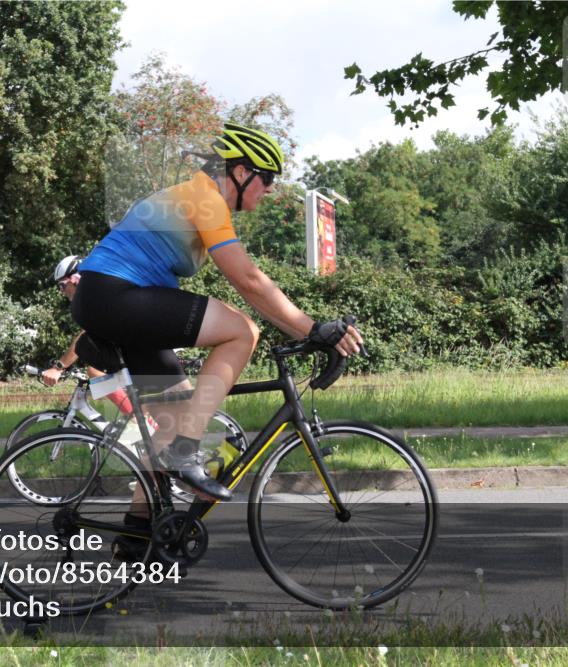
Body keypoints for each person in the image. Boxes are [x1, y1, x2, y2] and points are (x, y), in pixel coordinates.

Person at [71, 122, 364, 515]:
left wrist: (307, 329)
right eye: (268, 178)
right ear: (241, 173)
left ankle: (137, 536)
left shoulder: (201, 199)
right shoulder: (205, 198)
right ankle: (185, 454)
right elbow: (249, 281)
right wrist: (313, 329)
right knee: (242, 332)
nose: (272, 188)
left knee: (174, 420)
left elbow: (250, 284)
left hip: (110, 298)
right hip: (116, 295)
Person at [42, 255, 155, 437]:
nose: (61, 291)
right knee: (99, 374)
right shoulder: (96, 294)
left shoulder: (94, 297)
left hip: (147, 343)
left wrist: (59, 367)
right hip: (141, 341)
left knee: (96, 372)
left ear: (76, 280)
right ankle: (140, 421)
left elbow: (85, 337)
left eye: (62, 285)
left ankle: (139, 421)